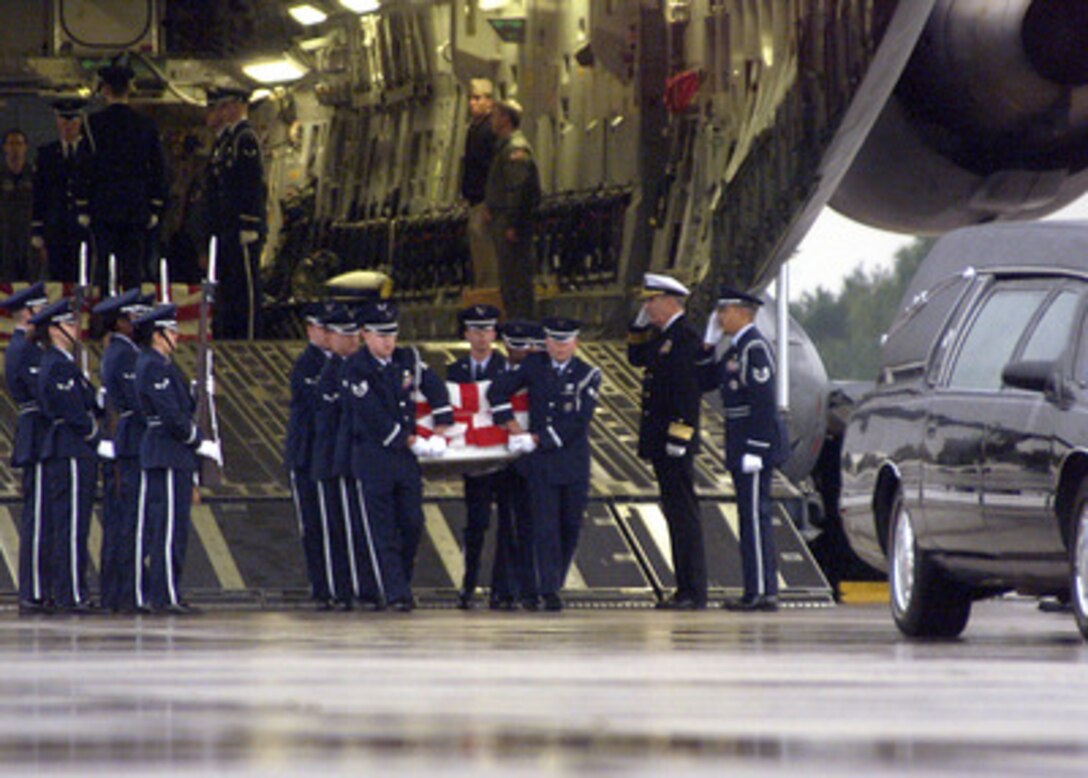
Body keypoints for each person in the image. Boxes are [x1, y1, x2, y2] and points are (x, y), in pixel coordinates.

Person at [344, 301, 453, 611]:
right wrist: (410, 440)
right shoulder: (355, 368)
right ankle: (395, 593)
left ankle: (399, 583)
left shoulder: (407, 359)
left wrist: (442, 426)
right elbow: (371, 415)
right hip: (375, 457)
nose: (388, 341)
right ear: (365, 335)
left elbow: (434, 387)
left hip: (405, 461)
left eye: (392, 334)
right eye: (380, 335)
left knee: (412, 522)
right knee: (383, 528)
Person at [488, 317, 601, 611]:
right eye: (554, 341)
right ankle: (547, 589)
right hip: (542, 465)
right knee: (544, 527)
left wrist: (537, 439)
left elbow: (578, 421)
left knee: (570, 526)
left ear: (575, 343)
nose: (560, 347)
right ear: (546, 341)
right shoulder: (534, 365)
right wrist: (514, 428)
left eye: (566, 342)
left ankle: (554, 580)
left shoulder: (587, 375)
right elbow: (497, 392)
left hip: (571, 461)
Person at [697, 286, 786, 612]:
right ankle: (755, 589)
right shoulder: (735, 349)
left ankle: (763, 591)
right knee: (748, 518)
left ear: (744, 312)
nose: (720, 317)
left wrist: (757, 447)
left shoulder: (753, 348)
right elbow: (706, 381)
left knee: (755, 515)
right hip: (740, 440)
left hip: (752, 442)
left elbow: (763, 401)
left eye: (726, 311)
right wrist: (707, 345)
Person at [132, 303, 221, 614]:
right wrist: (198, 441)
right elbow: (170, 416)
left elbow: (181, 407)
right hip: (166, 452)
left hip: (174, 453)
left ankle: (170, 590)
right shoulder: (152, 366)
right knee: (167, 529)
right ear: (157, 336)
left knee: (177, 528)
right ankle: (164, 595)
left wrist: (199, 393)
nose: (177, 335)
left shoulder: (165, 366)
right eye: (171, 331)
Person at [627, 273, 707, 609]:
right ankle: (684, 588)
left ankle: (693, 590)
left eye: (651, 301)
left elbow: (688, 392)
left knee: (684, 515)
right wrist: (638, 324)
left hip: (675, 440)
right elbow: (636, 357)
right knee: (675, 513)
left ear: (669, 301)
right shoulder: (665, 337)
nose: (647, 306)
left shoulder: (685, 337)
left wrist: (680, 434)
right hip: (662, 440)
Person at [32, 298, 110, 613]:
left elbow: (90, 401)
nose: (77, 328)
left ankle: (69, 590)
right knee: (71, 525)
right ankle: (70, 594)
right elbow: (73, 413)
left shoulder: (67, 363)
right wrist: (95, 438)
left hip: (74, 448)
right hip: (71, 448)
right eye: (70, 324)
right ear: (56, 330)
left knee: (75, 524)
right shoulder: (56, 364)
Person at [446, 304, 513, 609]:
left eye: (487, 330)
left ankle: (503, 588)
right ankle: (469, 584)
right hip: (474, 460)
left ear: (495, 334)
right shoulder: (455, 371)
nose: (481, 337)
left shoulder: (508, 368)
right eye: (475, 331)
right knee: (475, 525)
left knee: (508, 526)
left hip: (505, 459)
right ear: (466, 334)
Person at [93, 288, 154, 613]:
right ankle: (126, 591)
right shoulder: (125, 356)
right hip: (128, 447)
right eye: (139, 317)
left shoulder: (122, 353)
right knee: (129, 523)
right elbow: (136, 403)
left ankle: (119, 590)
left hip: (125, 445)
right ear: (124, 322)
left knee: (125, 522)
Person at [86, 59, 167, 291]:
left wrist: (83, 204)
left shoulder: (93, 124)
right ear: (129, 89)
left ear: (105, 90)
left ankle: (105, 320)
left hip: (103, 209)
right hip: (135, 209)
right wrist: (155, 205)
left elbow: (85, 167)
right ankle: (133, 322)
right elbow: (158, 168)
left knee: (104, 272)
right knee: (133, 272)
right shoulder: (146, 125)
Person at [1, 283, 50, 613]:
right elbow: (39, 392)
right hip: (37, 436)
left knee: (45, 517)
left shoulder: (33, 347)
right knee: (37, 518)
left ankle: (42, 587)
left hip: (43, 435)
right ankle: (32, 590)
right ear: (29, 313)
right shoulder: (22, 348)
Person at [205, 86, 266, 340]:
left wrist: (249, 223)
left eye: (228, 105)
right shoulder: (228, 140)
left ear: (240, 106)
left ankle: (250, 334)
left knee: (246, 287)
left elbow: (250, 183)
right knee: (230, 284)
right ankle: (231, 333)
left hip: (243, 226)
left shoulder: (245, 138)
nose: (223, 111)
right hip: (228, 226)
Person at [496, 319, 545, 609]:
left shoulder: (540, 371)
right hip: (499, 460)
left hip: (534, 460)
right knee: (505, 526)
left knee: (530, 526)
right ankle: (503, 589)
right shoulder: (497, 370)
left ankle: (529, 588)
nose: (525, 351)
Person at [483, 99, 541, 319]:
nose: (492, 121)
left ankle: (523, 324)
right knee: (508, 278)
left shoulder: (516, 150)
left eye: (495, 115)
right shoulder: (504, 147)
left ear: (506, 119)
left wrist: (511, 224)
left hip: (511, 225)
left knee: (516, 278)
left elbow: (517, 190)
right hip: (502, 220)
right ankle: (516, 321)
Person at [31, 99, 93, 283]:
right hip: (55, 228)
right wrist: (37, 229)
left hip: (83, 229)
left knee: (83, 277)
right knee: (57, 279)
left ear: (80, 122)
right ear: (57, 122)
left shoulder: (90, 153)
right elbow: (40, 193)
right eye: (64, 122)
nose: (68, 127)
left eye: (72, 122)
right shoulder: (47, 154)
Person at [461, 78, 499, 289]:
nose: (472, 103)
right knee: (479, 255)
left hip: (484, 203)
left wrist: (489, 202)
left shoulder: (487, 131)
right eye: (471, 98)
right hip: (475, 201)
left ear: (490, 102)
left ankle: (490, 296)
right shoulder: (474, 130)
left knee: (487, 255)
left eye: (477, 98)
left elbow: (490, 170)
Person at [0, 129, 36, 281]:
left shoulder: (35, 174)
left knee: (30, 282)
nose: (15, 148)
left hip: (29, 238)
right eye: (11, 143)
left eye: (19, 143)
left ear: (26, 147)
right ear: (4, 147)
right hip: (4, 238)